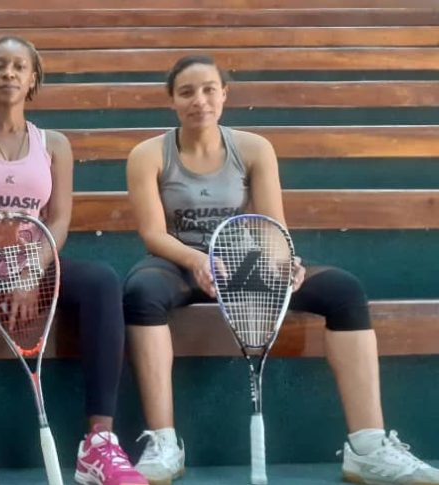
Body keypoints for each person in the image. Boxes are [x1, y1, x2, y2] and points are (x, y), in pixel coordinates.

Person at [122, 54, 439, 485]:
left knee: (344, 291)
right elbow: (153, 234)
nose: (200, 100)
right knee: (140, 294)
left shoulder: (254, 148)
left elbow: (272, 224)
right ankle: (163, 443)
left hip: (244, 260)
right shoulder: (148, 154)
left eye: (209, 89)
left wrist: (282, 261)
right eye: (187, 92)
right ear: (172, 101)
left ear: (225, 94)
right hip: (179, 262)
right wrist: (197, 260)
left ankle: (367, 446)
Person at [0, 36, 147, 485]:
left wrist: (31, 270)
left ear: (33, 80)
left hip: (34, 264)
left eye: (18, 67)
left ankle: (98, 446)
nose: (8, 73)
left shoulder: (55, 144)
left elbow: (59, 219)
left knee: (103, 281)